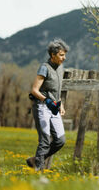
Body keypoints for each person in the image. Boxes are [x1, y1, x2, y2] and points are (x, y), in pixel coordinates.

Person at [26, 39, 69, 171]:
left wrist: (60, 105)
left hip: (54, 107)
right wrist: (47, 101)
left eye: (64, 54)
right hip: (41, 106)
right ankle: (38, 171)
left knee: (60, 141)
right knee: (44, 140)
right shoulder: (44, 68)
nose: (64, 58)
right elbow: (34, 90)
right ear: (53, 55)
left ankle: (34, 160)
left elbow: (57, 89)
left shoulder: (60, 68)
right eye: (61, 55)